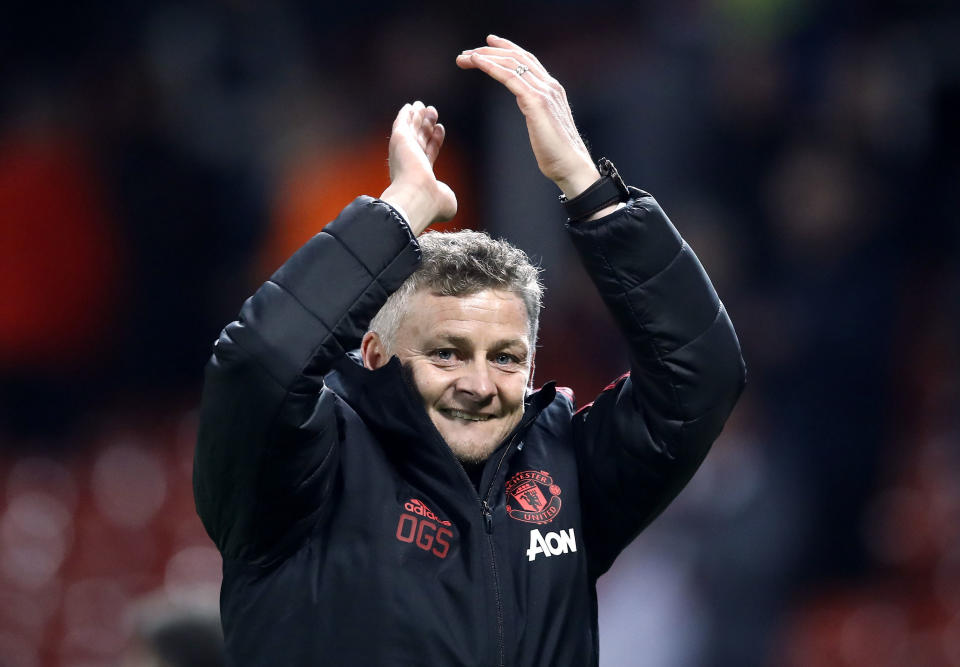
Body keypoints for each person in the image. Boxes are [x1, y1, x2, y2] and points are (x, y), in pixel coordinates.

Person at [194, 35, 745, 666]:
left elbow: (700, 380)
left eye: (507, 358)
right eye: (447, 353)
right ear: (372, 352)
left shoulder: (568, 471)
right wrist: (400, 211)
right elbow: (259, 363)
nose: (480, 384)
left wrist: (586, 186)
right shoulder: (300, 473)